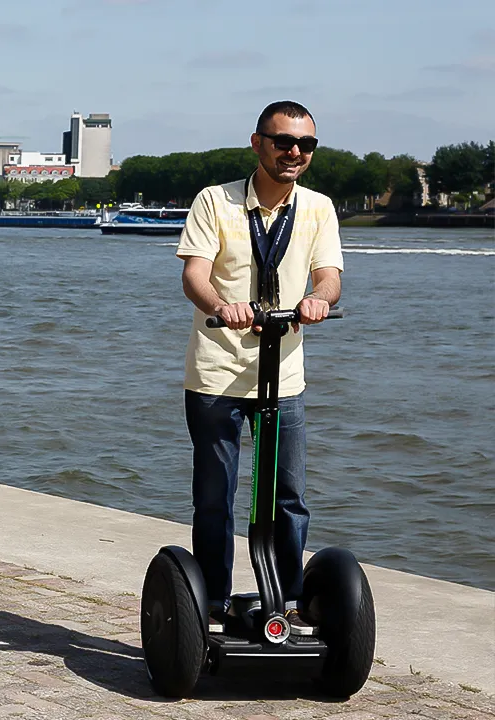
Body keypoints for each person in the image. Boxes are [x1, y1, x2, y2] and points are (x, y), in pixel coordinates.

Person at [175, 101, 343, 635]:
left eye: (306, 144)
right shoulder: (215, 202)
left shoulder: (318, 208)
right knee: (215, 497)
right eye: (283, 141)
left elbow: (330, 276)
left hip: (284, 376)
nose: (294, 152)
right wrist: (221, 304)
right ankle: (212, 603)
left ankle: (290, 602)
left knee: (288, 496)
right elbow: (194, 275)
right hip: (217, 373)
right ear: (257, 143)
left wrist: (319, 297)